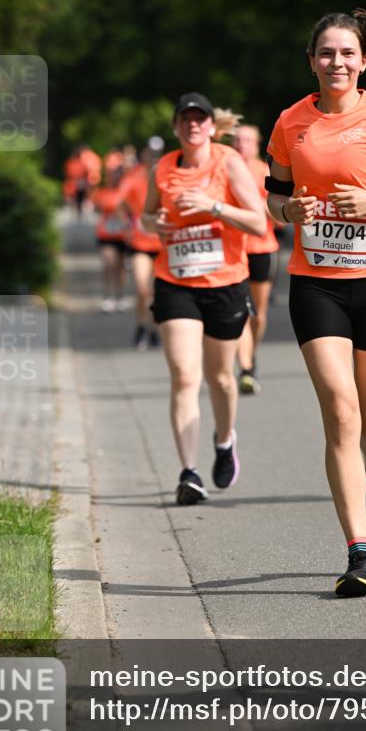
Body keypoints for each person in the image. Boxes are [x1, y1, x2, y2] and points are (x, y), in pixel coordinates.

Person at [265, 10, 366, 598]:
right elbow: (275, 196)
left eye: (347, 54)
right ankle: (359, 555)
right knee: (342, 412)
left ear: (364, 61)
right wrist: (289, 213)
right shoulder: (291, 122)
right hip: (317, 282)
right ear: (311, 59)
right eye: (325, 53)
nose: (336, 63)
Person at [142, 92, 266, 505]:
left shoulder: (228, 162)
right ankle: (188, 473)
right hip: (175, 281)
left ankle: (225, 438)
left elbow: (257, 221)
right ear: (176, 127)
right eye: (185, 119)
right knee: (183, 373)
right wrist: (154, 221)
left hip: (225, 282)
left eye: (200, 119)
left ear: (212, 126)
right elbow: (145, 214)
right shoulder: (163, 167)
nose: (193, 125)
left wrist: (214, 206)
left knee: (222, 378)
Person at [232, 124, 281, 394]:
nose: (241, 144)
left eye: (247, 140)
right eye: (237, 140)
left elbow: (280, 217)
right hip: (233, 250)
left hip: (262, 248)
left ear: (257, 144)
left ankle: (252, 354)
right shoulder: (225, 169)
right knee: (241, 309)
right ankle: (246, 366)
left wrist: (256, 206)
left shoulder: (265, 172)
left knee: (258, 314)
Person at [114, 137, 165, 348]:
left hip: (163, 244)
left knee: (157, 291)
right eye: (150, 153)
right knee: (143, 289)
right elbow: (119, 202)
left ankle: (154, 330)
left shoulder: (168, 174)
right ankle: (141, 326)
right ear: (144, 154)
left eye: (157, 153)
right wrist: (126, 224)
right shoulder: (134, 176)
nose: (153, 157)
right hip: (139, 244)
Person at [91, 168, 132, 312]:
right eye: (114, 177)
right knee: (109, 263)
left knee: (121, 268)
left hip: (123, 235)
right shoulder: (102, 193)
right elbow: (96, 209)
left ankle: (120, 296)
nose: (116, 180)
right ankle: (108, 297)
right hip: (106, 233)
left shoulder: (127, 193)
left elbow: (135, 211)